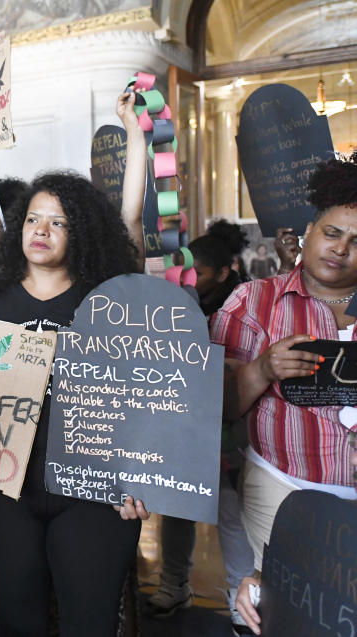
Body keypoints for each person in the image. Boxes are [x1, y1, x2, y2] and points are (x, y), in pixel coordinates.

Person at [0, 91, 149, 636]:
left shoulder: (109, 295)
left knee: (89, 620)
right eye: (33, 219)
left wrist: (136, 134)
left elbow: (129, 216)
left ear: (81, 233)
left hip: (95, 488)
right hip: (7, 488)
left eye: (57, 223)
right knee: (20, 617)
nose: (40, 230)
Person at [212, 152, 357, 635]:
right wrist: (263, 367)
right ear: (309, 231)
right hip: (281, 488)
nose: (340, 249)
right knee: (291, 614)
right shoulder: (253, 302)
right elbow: (216, 409)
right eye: (332, 233)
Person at [146, 220, 256, 635]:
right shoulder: (181, 302)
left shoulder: (245, 306)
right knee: (177, 509)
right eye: (186, 270)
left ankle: (239, 598)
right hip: (184, 427)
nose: (190, 278)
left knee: (231, 512)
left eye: (199, 273)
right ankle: (175, 585)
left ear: (224, 272)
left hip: (228, 431)